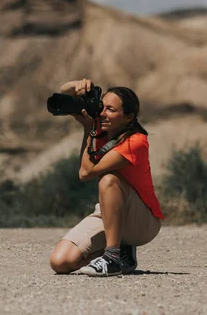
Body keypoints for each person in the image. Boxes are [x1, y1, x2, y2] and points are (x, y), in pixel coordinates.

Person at [49, 78, 165, 277]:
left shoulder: (136, 142)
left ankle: (112, 257)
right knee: (60, 262)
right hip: (110, 212)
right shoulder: (101, 126)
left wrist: (87, 130)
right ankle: (123, 256)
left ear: (128, 117)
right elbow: (64, 93)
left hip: (143, 220)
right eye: (102, 107)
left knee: (109, 179)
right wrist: (77, 85)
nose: (103, 113)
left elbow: (85, 173)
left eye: (111, 110)